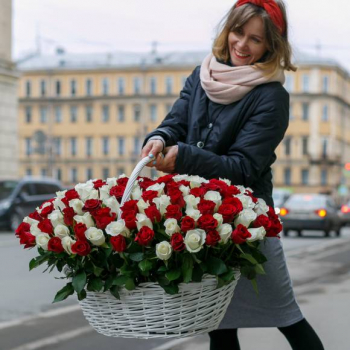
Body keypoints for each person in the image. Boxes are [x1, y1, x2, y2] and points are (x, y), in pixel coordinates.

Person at [140, 1, 324, 349]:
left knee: (287, 317)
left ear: (271, 45)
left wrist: (185, 157)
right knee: (219, 324)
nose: (242, 45)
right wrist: (158, 139)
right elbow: (175, 123)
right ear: (227, 31)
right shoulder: (201, 75)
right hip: (200, 217)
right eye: (238, 32)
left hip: (248, 221)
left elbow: (243, 167)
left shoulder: (271, 96)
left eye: (255, 39)